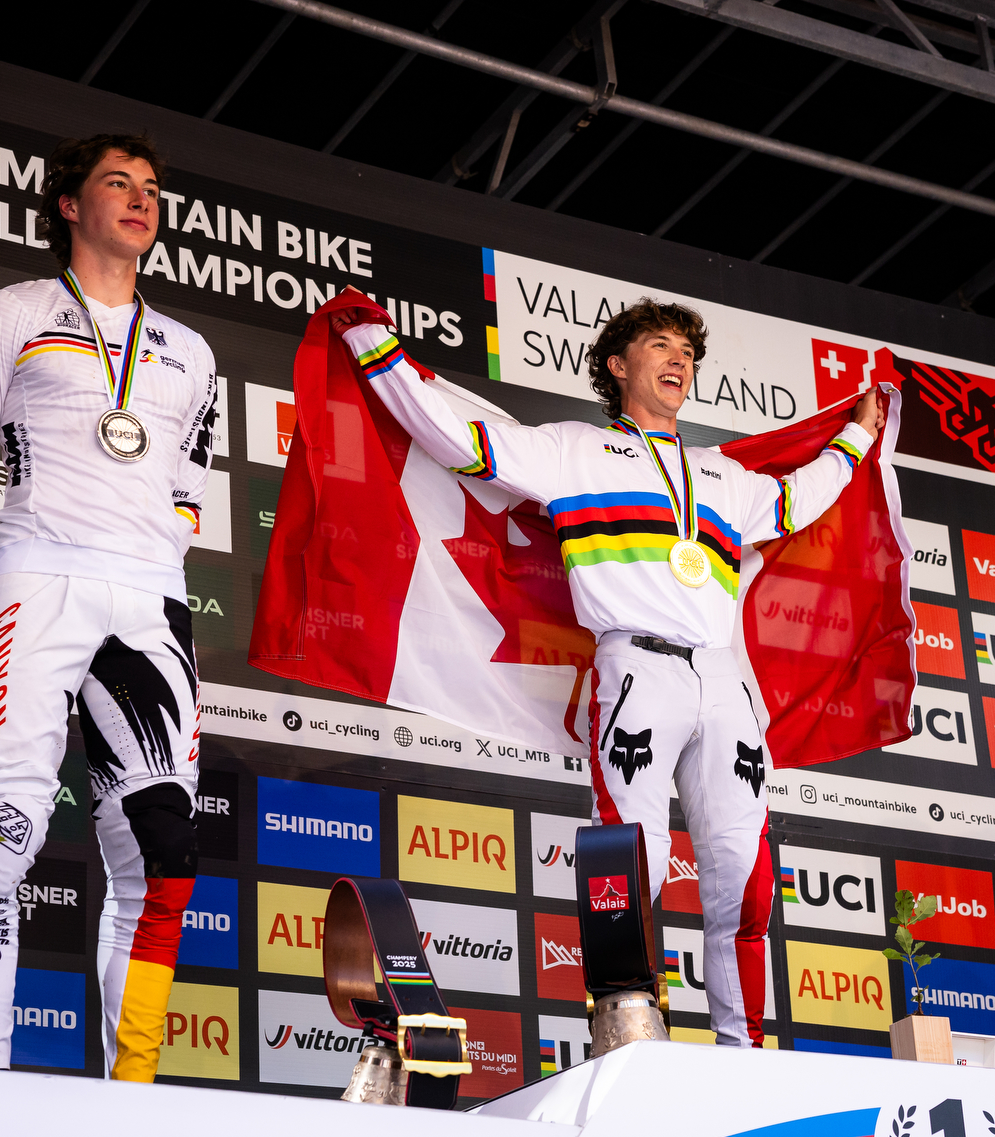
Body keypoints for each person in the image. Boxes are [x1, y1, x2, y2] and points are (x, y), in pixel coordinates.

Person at [330, 298, 886, 1047]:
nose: (679, 361)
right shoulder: (573, 450)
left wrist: (856, 437)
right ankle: (629, 1033)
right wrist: (374, 348)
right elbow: (458, 441)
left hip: (723, 683)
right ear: (619, 367)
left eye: (688, 352)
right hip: (636, 667)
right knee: (633, 857)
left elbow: (798, 501)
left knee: (742, 870)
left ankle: (742, 1047)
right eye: (661, 346)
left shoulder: (724, 475)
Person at [0, 133, 218, 1078]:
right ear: (68, 206)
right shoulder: (10, 313)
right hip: (32, 581)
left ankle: (128, 1093)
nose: (141, 201)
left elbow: (185, 494)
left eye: (152, 188)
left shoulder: (192, 352)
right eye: (117, 184)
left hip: (149, 605)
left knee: (165, 853)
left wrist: (151, 562)